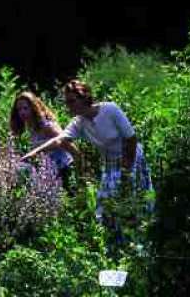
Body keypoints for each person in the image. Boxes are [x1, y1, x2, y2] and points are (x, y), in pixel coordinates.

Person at [21, 80, 153, 239]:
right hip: (110, 164)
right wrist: (33, 153)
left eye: (72, 101)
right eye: (66, 102)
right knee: (105, 207)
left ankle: (142, 241)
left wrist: (127, 170)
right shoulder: (79, 122)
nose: (68, 106)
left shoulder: (110, 109)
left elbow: (131, 138)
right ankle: (118, 246)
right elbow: (59, 140)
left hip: (131, 158)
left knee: (135, 203)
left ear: (84, 97)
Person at [10, 91, 77, 190]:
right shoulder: (31, 126)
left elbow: (64, 140)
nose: (22, 112)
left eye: (25, 108)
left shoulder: (45, 125)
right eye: (19, 109)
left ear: (33, 107)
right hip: (52, 170)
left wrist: (36, 152)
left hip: (64, 167)